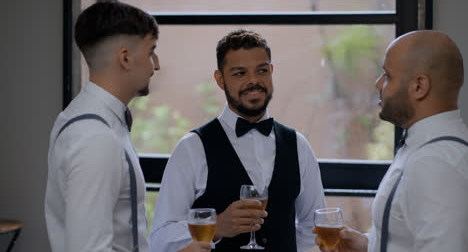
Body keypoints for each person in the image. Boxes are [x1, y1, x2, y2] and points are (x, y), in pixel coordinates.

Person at [45, 0, 206, 252]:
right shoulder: (95, 137)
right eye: (151, 50)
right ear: (126, 58)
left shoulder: (87, 121)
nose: (157, 64)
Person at [148, 29, 326, 252]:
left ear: (271, 71)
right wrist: (217, 226)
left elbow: (313, 226)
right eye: (240, 73)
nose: (253, 81)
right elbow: (159, 238)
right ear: (220, 79)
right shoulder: (192, 148)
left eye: (261, 71)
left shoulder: (299, 145)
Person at [315, 30, 468, 252]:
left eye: (387, 75)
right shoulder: (423, 148)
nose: (378, 84)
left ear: (419, 87)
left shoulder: (435, 163)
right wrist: (369, 245)